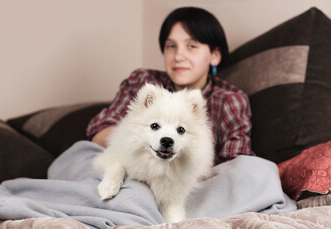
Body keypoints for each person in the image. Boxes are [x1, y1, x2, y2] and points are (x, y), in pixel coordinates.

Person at [86, 7, 254, 165]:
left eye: (192, 46)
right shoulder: (143, 81)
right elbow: (100, 131)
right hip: (132, 168)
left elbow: (237, 163)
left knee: (260, 170)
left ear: (215, 56)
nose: (178, 56)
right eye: (171, 46)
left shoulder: (230, 100)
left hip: (196, 183)